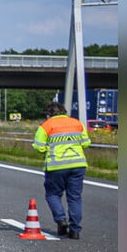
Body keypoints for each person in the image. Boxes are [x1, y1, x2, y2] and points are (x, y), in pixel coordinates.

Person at [34, 100, 91, 238]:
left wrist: (50, 148)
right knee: (74, 197)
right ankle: (75, 230)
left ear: (49, 114)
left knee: (53, 194)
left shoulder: (46, 126)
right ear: (64, 112)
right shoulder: (77, 123)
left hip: (56, 166)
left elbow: (39, 146)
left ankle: (61, 219)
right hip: (78, 165)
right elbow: (86, 143)